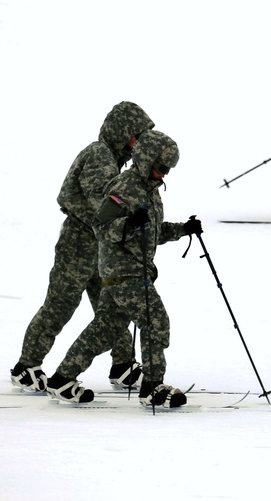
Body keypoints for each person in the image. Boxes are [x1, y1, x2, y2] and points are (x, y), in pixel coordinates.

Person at [46, 129, 201, 408]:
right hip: (122, 271)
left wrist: (183, 230)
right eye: (162, 167)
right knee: (155, 320)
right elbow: (101, 226)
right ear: (146, 159)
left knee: (106, 328)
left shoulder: (151, 192)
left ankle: (61, 379)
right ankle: (152, 388)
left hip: (132, 270)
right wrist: (129, 223)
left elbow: (150, 232)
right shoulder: (123, 187)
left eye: (169, 169)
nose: (165, 173)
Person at [9, 102, 155, 393]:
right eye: (137, 136)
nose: (139, 143)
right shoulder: (100, 155)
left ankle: (123, 365)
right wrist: (129, 217)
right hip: (79, 244)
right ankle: (26, 366)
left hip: (101, 245)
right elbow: (100, 202)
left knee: (112, 306)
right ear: (123, 133)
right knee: (60, 305)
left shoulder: (113, 160)